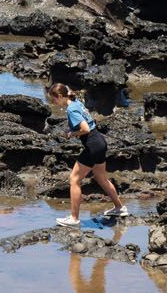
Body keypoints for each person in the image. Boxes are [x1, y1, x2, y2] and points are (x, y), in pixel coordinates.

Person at [47, 83, 128, 226]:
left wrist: (72, 134)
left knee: (74, 180)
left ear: (60, 96)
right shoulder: (75, 102)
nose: (53, 102)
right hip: (100, 142)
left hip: (92, 145)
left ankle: (74, 218)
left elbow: (84, 128)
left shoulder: (71, 109)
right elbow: (68, 89)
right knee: (101, 178)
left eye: (54, 99)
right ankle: (120, 208)